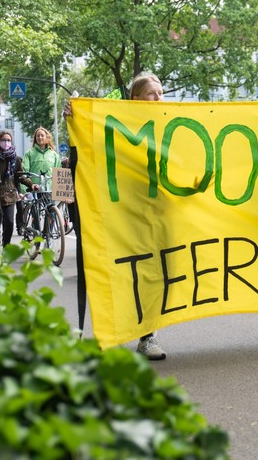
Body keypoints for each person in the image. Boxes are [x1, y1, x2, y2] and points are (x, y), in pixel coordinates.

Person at [63, 72, 168, 361]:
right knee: (121, 274)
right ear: (135, 98)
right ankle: (109, 333)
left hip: (157, 214)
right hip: (121, 214)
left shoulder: (173, 126)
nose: (159, 98)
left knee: (153, 277)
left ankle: (148, 337)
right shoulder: (115, 125)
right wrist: (75, 119)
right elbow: (89, 150)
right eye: (152, 94)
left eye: (161, 93)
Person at [0, 131, 38, 247]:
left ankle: (6, 247)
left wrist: (31, 184)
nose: (6, 143)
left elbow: (19, 176)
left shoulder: (15, 158)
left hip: (9, 195)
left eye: (9, 140)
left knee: (9, 223)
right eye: (4, 140)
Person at [17, 127, 62, 233]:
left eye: (42, 135)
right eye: (38, 136)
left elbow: (59, 172)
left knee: (51, 213)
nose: (40, 137)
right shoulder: (29, 154)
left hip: (49, 189)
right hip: (34, 189)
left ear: (47, 138)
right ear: (35, 138)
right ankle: (36, 236)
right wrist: (24, 192)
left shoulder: (54, 155)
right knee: (35, 214)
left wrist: (60, 190)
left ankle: (48, 235)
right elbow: (24, 172)